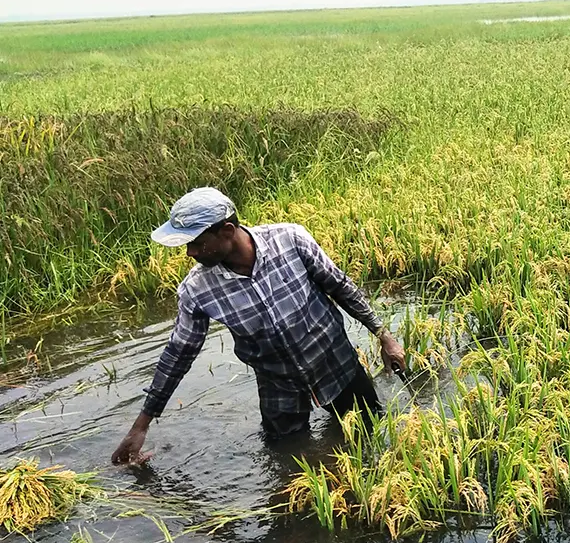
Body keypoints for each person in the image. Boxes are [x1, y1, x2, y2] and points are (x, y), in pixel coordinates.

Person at [111, 187, 406, 465]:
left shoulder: (290, 239)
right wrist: (141, 425)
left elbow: (340, 287)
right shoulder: (197, 290)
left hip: (336, 364)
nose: (190, 253)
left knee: (372, 435)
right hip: (278, 385)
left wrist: (383, 335)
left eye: (197, 243)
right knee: (288, 460)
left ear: (227, 231)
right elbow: (178, 355)